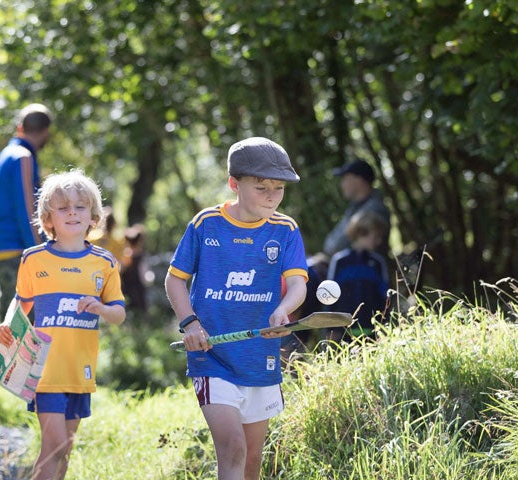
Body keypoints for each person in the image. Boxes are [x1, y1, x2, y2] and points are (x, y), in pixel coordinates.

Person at [165, 137, 309, 480]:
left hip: (261, 356)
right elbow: (174, 281)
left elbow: (299, 286)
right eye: (261, 187)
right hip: (212, 358)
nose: (272, 195)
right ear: (234, 184)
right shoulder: (205, 224)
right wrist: (190, 324)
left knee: (252, 459)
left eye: (278, 188)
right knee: (233, 447)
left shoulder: (285, 230)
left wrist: (283, 311)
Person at [0, 171, 126, 480]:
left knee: (65, 448)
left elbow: (119, 313)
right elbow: (21, 301)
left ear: (93, 216)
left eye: (80, 207)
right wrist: (7, 321)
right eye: (63, 207)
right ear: (48, 218)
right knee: (54, 445)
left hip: (80, 369)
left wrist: (102, 309)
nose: (72, 213)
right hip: (45, 369)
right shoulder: (33, 259)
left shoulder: (105, 263)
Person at [0, 103, 53, 312]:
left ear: (19, 127)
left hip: (2, 249)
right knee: (22, 331)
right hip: (18, 254)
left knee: (10, 331)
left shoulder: (5, 154)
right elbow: (27, 210)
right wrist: (41, 251)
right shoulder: (23, 157)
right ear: (45, 132)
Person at [325, 210, 390, 341]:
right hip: (343, 332)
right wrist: (331, 329)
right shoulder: (339, 261)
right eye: (376, 236)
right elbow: (329, 296)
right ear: (362, 233)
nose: (378, 242)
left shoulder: (378, 262)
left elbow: (386, 297)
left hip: (373, 331)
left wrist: (384, 327)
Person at [322, 159, 391, 257]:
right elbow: (331, 243)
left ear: (359, 180)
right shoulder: (354, 208)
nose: (342, 185)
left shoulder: (375, 209)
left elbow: (338, 246)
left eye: (345, 179)